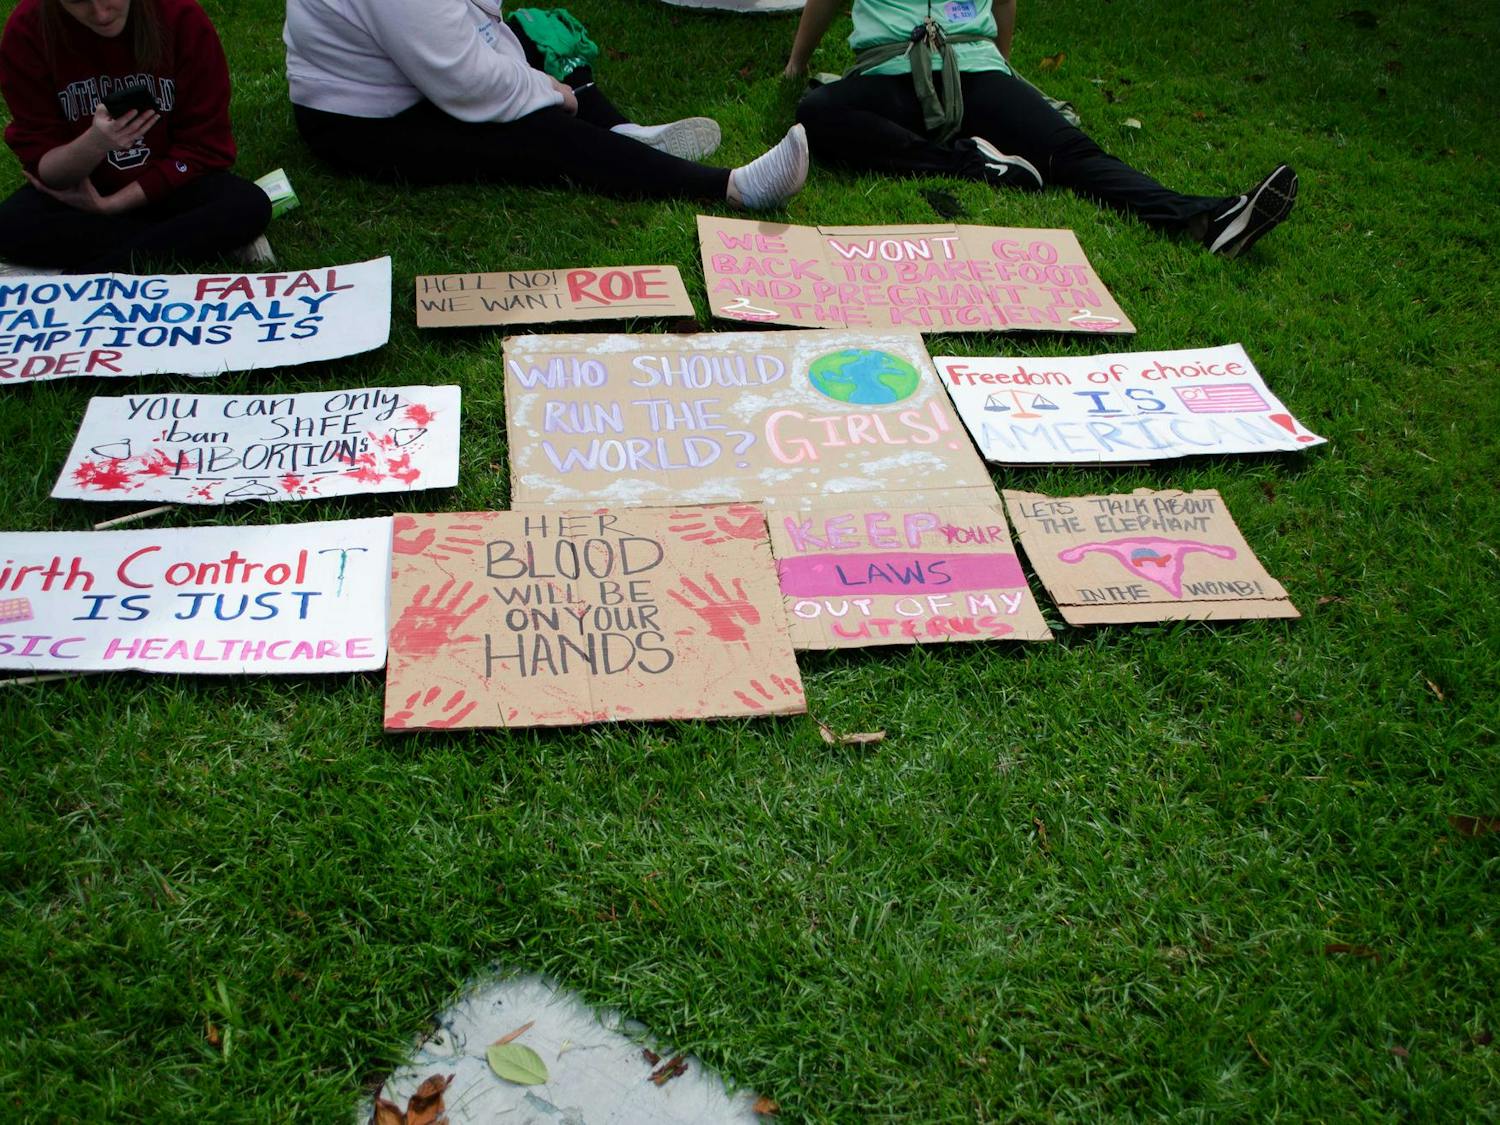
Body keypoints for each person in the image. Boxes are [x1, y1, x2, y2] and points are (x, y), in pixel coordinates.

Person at [785, 0, 1296, 257]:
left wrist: (1006, 84)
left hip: (976, 69)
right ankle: (971, 163)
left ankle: (1204, 218)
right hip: (889, 72)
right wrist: (796, 65)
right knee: (818, 114)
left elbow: (1002, 4)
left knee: (1070, 153)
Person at [284, 0, 808, 209]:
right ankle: (731, 187)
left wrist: (529, 69)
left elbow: (476, 26)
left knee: (537, 36)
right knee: (535, 131)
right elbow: (464, 81)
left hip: (421, 74)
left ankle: (625, 135)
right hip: (365, 122)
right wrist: (545, 92)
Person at [0, 0, 272, 273]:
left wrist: (112, 206)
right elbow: (48, 170)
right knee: (10, 225)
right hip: (84, 190)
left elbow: (205, 147)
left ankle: (94, 269)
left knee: (248, 205)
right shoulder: (28, 29)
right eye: (77, 1)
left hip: (170, 185)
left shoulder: (180, 15)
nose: (100, 12)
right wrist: (95, 143)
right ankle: (184, 241)